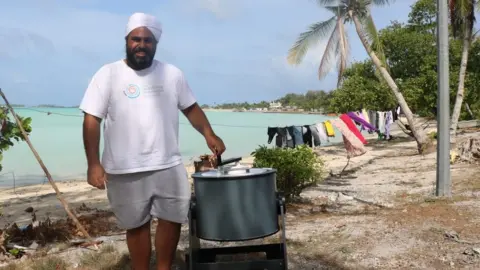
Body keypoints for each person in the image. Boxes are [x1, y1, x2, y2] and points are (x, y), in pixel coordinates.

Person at [79, 12, 226, 270]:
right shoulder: (108, 74)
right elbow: (92, 119)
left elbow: (191, 108)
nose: (141, 45)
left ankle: (164, 267)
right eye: (136, 39)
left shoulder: (172, 74)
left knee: (171, 220)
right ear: (127, 40)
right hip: (124, 169)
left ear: (155, 44)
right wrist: (93, 163)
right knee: (136, 225)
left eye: (148, 40)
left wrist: (209, 133)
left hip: (167, 163)